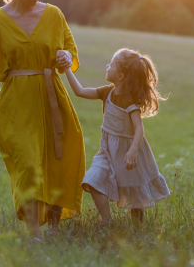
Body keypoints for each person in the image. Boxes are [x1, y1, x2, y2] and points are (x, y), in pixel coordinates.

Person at [0, 0, 85, 242]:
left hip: (53, 99)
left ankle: (56, 229)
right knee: (28, 165)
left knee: (57, 161)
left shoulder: (54, 14)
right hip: (17, 104)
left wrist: (64, 58)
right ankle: (35, 233)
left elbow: (70, 52)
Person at [64, 48, 170, 228]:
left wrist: (132, 151)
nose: (107, 66)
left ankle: (138, 227)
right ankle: (106, 220)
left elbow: (139, 129)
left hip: (127, 152)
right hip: (106, 150)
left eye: (111, 64)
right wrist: (67, 68)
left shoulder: (129, 101)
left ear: (120, 75)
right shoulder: (107, 92)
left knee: (134, 191)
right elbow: (80, 91)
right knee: (92, 180)